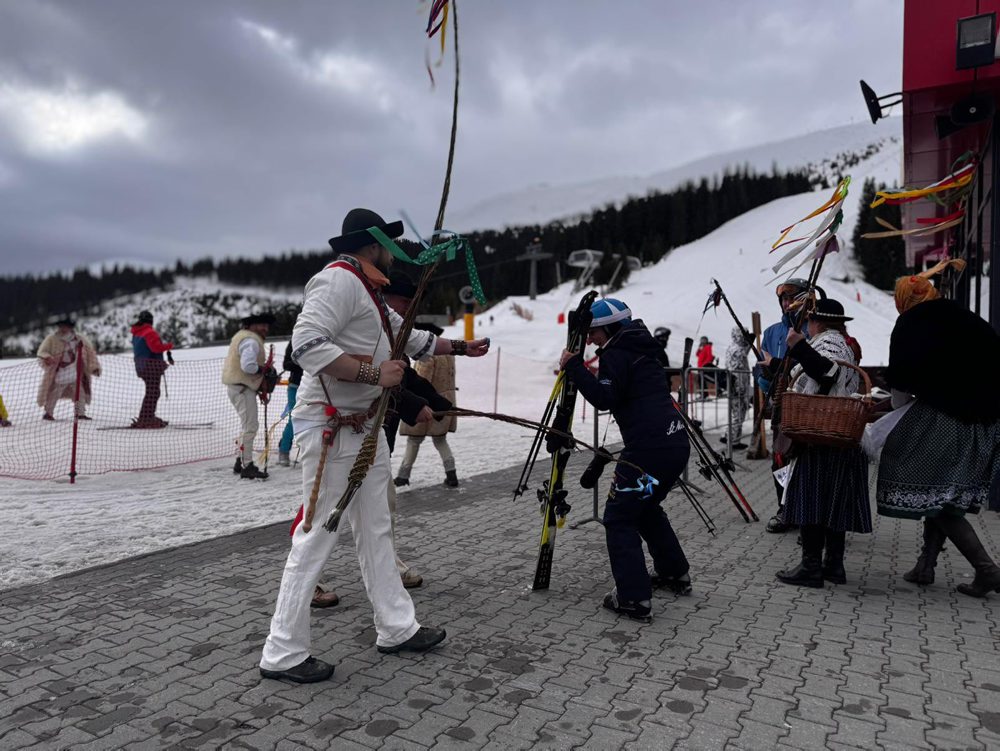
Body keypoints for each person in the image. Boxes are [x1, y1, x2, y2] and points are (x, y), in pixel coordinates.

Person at [259, 208, 489, 684]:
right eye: (389, 244)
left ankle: (396, 627)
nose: (392, 252)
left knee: (377, 528)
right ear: (374, 245)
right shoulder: (337, 282)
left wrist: (460, 348)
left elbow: (404, 338)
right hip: (331, 427)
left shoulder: (367, 289)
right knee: (319, 532)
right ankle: (282, 652)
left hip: (363, 426)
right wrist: (369, 373)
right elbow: (306, 346)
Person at [560, 298, 692, 622]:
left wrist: (574, 366)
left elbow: (605, 398)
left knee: (619, 517)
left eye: (593, 332)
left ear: (610, 327)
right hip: (674, 443)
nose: (590, 339)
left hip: (648, 451)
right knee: (645, 509)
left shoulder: (617, 353)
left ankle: (634, 599)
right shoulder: (643, 346)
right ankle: (675, 574)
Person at [875, 259, 1000, 598]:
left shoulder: (910, 323)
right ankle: (926, 565)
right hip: (986, 423)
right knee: (942, 491)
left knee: (935, 494)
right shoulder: (963, 316)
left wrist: (883, 411)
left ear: (904, 300)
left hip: (948, 421)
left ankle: (987, 570)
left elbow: (900, 389)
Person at [775, 299, 871, 587]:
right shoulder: (840, 342)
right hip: (838, 436)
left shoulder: (828, 341)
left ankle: (811, 568)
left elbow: (827, 372)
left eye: (809, 320)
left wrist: (799, 345)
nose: (806, 325)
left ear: (818, 321)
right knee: (834, 503)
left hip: (820, 434)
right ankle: (833, 566)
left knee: (812, 500)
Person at [757, 277, 810, 533]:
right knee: (780, 459)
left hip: (808, 406)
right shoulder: (771, 333)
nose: (787, 303)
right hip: (781, 404)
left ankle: (807, 510)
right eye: (784, 299)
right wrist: (768, 378)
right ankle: (785, 507)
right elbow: (761, 374)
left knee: (806, 459)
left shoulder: (813, 328)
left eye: (792, 298)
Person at [222, 312, 277, 480]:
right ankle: (247, 466)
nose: (265, 328)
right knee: (250, 427)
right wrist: (263, 370)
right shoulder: (251, 341)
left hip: (239, 387)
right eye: (261, 325)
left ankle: (241, 461)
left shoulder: (242, 336)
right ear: (251, 326)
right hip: (242, 388)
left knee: (247, 425)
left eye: (267, 326)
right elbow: (248, 366)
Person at [36, 319, 101, 421]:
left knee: (80, 393)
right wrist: (48, 358)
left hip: (75, 372)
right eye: (61, 326)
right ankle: (48, 413)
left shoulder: (80, 339)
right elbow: (42, 352)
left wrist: (94, 367)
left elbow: (90, 354)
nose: (63, 328)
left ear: (70, 327)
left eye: (65, 326)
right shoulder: (51, 339)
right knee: (54, 394)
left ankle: (80, 413)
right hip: (59, 373)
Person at [130, 310, 174, 429]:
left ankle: (147, 416)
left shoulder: (136, 333)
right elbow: (156, 348)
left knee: (152, 392)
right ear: (151, 320)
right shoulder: (149, 332)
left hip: (141, 366)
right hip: (151, 367)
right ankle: (146, 418)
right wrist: (168, 346)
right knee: (153, 392)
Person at [721, 326, 751, 450]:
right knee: (738, 414)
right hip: (737, 387)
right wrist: (741, 389)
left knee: (735, 413)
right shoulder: (738, 350)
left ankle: (728, 436)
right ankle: (733, 440)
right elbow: (738, 372)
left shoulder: (732, 348)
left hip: (734, 386)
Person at [277, 341, 302, 467]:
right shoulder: (294, 341)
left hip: (315, 387)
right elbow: (286, 364)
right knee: (294, 420)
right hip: (295, 387)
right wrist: (301, 362)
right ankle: (284, 451)